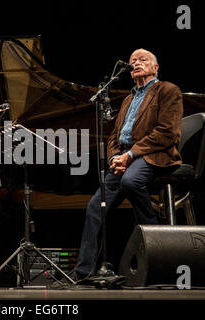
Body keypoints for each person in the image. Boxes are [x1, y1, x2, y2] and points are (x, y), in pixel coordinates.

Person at [72, 48, 183, 281]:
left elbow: (167, 133)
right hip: (125, 160)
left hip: (154, 155)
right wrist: (115, 158)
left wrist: (130, 155)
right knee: (95, 206)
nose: (137, 63)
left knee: (131, 181)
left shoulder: (167, 90)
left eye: (143, 60)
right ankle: (84, 272)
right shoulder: (128, 99)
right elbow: (114, 136)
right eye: (133, 61)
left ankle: (158, 247)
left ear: (156, 68)